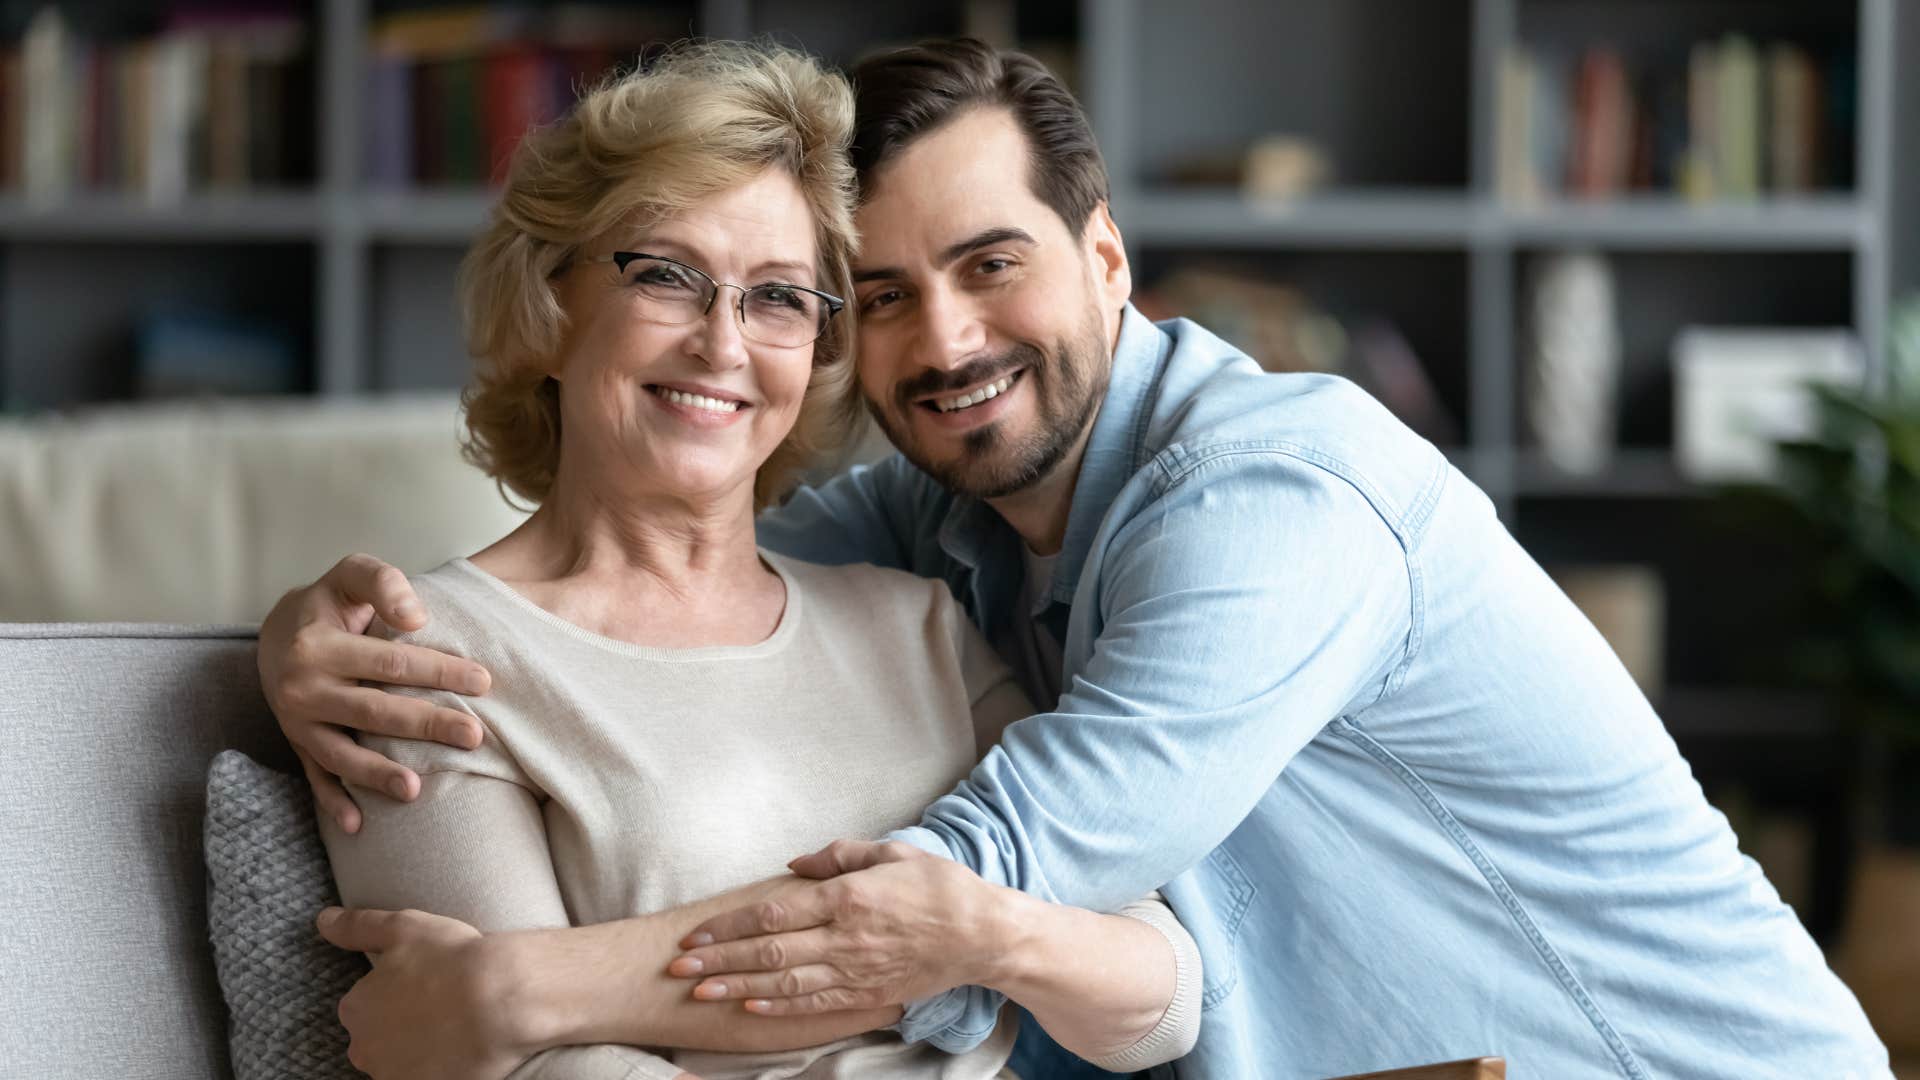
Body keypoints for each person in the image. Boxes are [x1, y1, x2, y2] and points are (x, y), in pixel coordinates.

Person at [265, 36, 1893, 1080]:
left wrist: (525, 994)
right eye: (881, 296)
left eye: (993, 264)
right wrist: (290, 633)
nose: (945, 341)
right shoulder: (945, 517)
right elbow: (663, 560)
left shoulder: (1274, 508)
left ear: (1109, 258)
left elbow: (951, 901)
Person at [306, 40, 1200, 1080]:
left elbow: (1159, 1000)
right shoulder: (420, 661)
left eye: (778, 296)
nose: (723, 345)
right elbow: (519, 1067)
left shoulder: (914, 620)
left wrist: (982, 936)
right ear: (549, 306)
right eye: (666, 275)